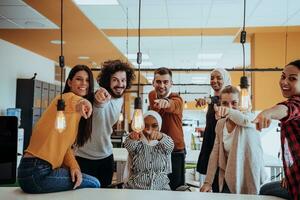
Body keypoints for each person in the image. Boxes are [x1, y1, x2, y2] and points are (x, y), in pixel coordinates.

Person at [17, 65, 100, 193]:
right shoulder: (63, 99)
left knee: (83, 180)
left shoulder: (72, 116)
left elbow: (65, 148)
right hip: (37, 171)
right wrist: (84, 103)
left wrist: (74, 167)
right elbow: (74, 101)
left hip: (31, 170)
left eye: (87, 80)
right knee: (94, 183)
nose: (84, 83)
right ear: (69, 82)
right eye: (79, 79)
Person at [75, 59, 135, 188]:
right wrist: (99, 99)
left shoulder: (120, 98)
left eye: (123, 80)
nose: (120, 84)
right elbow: (99, 99)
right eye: (115, 80)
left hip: (106, 157)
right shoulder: (102, 94)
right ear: (108, 80)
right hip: (83, 158)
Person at [200, 85, 266, 194]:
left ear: (240, 103)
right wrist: (208, 182)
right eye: (225, 103)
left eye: (234, 103)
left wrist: (228, 111)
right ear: (220, 104)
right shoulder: (220, 124)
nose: (229, 107)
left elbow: (244, 121)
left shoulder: (251, 118)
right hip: (228, 175)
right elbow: (215, 154)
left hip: (248, 174)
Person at [253, 60, 300, 200]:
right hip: (293, 178)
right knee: (265, 190)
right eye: (283, 76)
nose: (284, 82)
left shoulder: (296, 104)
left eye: (292, 79)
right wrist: (289, 173)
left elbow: (288, 109)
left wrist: (267, 113)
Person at [148, 67, 185, 190]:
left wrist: (166, 102)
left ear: (171, 84)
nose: (162, 85)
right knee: (157, 186)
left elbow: (173, 105)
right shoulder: (152, 95)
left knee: (175, 189)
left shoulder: (177, 99)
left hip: (175, 150)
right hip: (157, 149)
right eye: (158, 82)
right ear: (153, 83)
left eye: (166, 82)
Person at [196, 68, 231, 192]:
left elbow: (217, 100)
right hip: (211, 145)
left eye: (219, 78)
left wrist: (207, 100)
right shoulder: (213, 100)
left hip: (224, 149)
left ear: (226, 79)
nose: (214, 81)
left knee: (224, 187)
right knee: (214, 186)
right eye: (212, 78)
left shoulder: (227, 101)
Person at [123, 110, 174, 190]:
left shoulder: (163, 143)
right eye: (145, 125)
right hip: (137, 188)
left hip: (161, 189)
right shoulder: (137, 142)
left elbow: (170, 145)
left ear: (159, 126)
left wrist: (161, 136)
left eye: (154, 126)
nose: (149, 129)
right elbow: (128, 146)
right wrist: (131, 138)